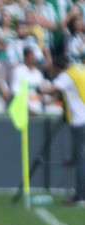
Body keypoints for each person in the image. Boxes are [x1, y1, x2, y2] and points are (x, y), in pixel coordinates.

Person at [44, 56, 85, 206]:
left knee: (81, 160)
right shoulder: (80, 69)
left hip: (80, 121)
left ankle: (81, 195)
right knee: (79, 157)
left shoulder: (67, 75)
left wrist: (36, 88)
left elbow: (52, 89)